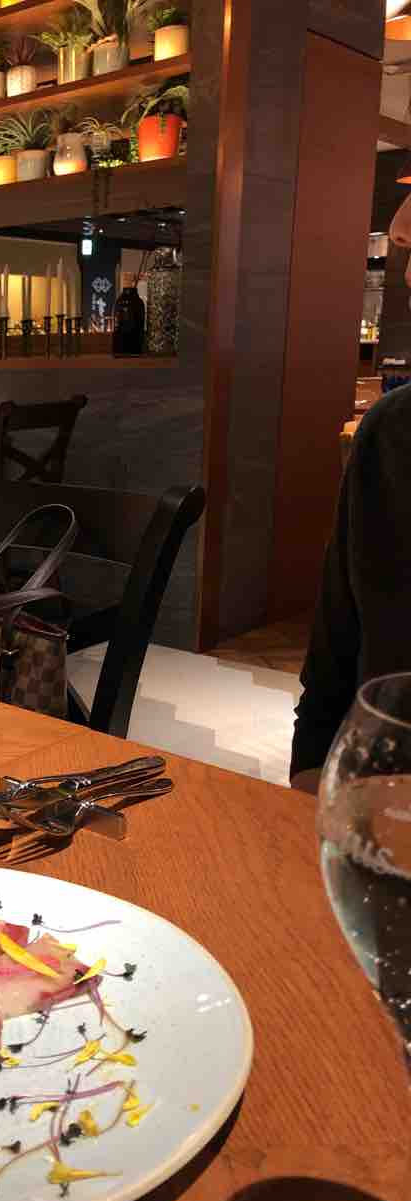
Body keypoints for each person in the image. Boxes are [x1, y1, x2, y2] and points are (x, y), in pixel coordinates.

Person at [290, 190, 411, 791]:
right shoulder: (391, 434)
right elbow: (335, 654)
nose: (400, 228)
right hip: (377, 801)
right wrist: (310, 772)